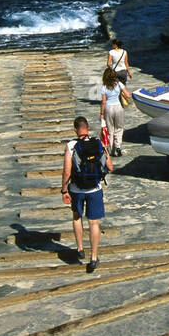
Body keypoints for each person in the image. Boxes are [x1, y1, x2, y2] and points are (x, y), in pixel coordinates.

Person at [62, 115, 112, 272]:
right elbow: (110, 166)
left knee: (77, 216)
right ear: (88, 128)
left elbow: (67, 171)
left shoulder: (71, 145)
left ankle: (80, 249)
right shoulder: (98, 143)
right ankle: (94, 257)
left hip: (77, 189)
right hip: (95, 189)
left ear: (75, 129)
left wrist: (64, 190)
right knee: (93, 223)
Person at [100, 67, 132, 157]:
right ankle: (118, 145)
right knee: (119, 128)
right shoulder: (119, 84)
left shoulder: (104, 87)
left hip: (108, 108)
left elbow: (103, 102)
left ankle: (111, 150)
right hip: (118, 107)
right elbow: (128, 95)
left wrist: (101, 114)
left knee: (110, 129)